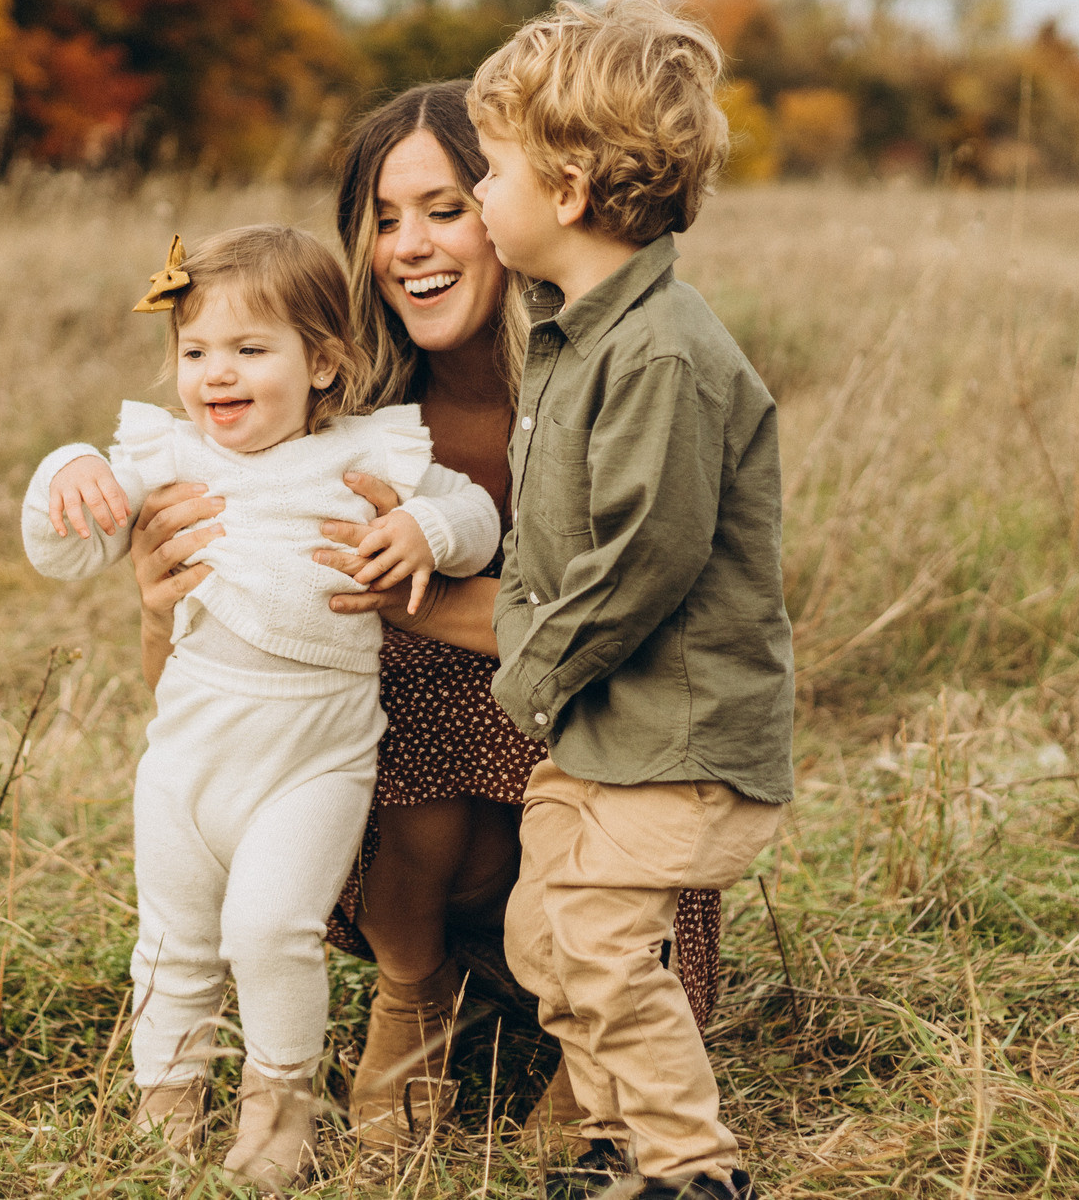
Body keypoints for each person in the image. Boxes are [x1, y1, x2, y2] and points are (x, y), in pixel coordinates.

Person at [119, 82, 730, 1166]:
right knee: (372, 731)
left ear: (521, 201)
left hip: (581, 711)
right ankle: (415, 987)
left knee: (529, 744)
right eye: (384, 218)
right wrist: (167, 585)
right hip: (385, 751)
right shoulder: (340, 405)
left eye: (446, 208)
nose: (410, 246)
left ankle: (595, 1035)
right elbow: (202, 632)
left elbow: (636, 618)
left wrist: (423, 597)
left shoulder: (604, 371)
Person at [20, 225, 500, 1192]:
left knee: (270, 929)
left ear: (323, 363)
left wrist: (423, 526)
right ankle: (167, 1098)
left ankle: (279, 1105)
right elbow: (64, 550)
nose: (215, 375)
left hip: (314, 760)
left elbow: (478, 520)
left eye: (250, 349)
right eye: (195, 351)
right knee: (172, 940)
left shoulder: (368, 455)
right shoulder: (165, 457)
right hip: (187, 760)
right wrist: (65, 470)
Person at [469, 0, 795, 1200]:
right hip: (600, 731)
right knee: (544, 938)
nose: (477, 199)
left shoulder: (660, 352)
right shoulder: (573, 337)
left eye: (489, 171)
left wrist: (530, 670)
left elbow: (641, 559)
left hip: (674, 731)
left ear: (565, 189)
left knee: (603, 951)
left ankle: (689, 1169)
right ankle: (612, 1145)